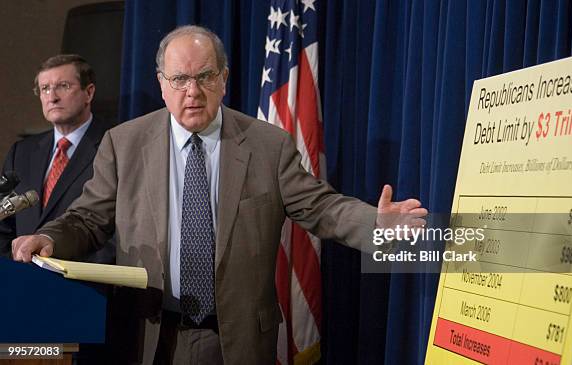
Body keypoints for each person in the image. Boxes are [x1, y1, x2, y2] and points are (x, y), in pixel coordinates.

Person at [12, 26, 427, 364]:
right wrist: (50, 238)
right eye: (179, 79)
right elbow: (87, 219)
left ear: (223, 80)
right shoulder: (125, 143)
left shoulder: (268, 145)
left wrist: (377, 222)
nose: (192, 91)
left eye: (205, 76)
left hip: (237, 341)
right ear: (161, 84)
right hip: (150, 335)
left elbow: (322, 207)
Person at [0, 54, 114, 263]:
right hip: (22, 279)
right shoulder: (22, 152)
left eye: (63, 86)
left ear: (88, 93)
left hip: (83, 283)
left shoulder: (113, 145)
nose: (52, 97)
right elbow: (4, 226)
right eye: (45, 89)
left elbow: (115, 227)